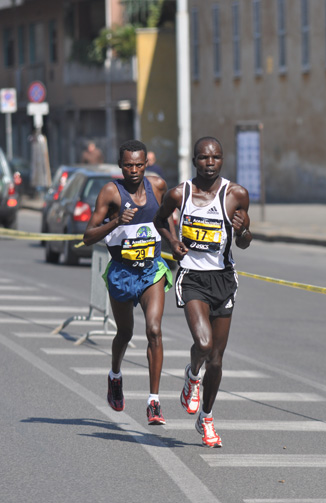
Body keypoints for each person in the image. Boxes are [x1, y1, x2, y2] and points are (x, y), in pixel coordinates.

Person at [154, 136, 252, 447]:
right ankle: (192, 375)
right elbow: (160, 221)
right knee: (204, 343)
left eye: (216, 158)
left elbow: (245, 241)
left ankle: (206, 417)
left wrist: (245, 229)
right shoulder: (178, 194)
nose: (210, 163)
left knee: (218, 360)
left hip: (223, 280)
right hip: (193, 277)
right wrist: (172, 242)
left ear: (222, 160)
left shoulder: (236, 194)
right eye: (204, 158)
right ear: (194, 160)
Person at [83, 139, 174, 425]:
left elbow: (165, 220)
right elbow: (88, 236)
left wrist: (175, 242)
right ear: (120, 166)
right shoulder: (111, 191)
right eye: (128, 165)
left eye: (138, 164)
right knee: (125, 333)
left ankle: (154, 402)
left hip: (151, 270)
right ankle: (115, 376)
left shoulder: (158, 186)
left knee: (154, 330)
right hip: (122, 272)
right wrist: (116, 222)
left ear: (146, 164)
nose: (133, 170)